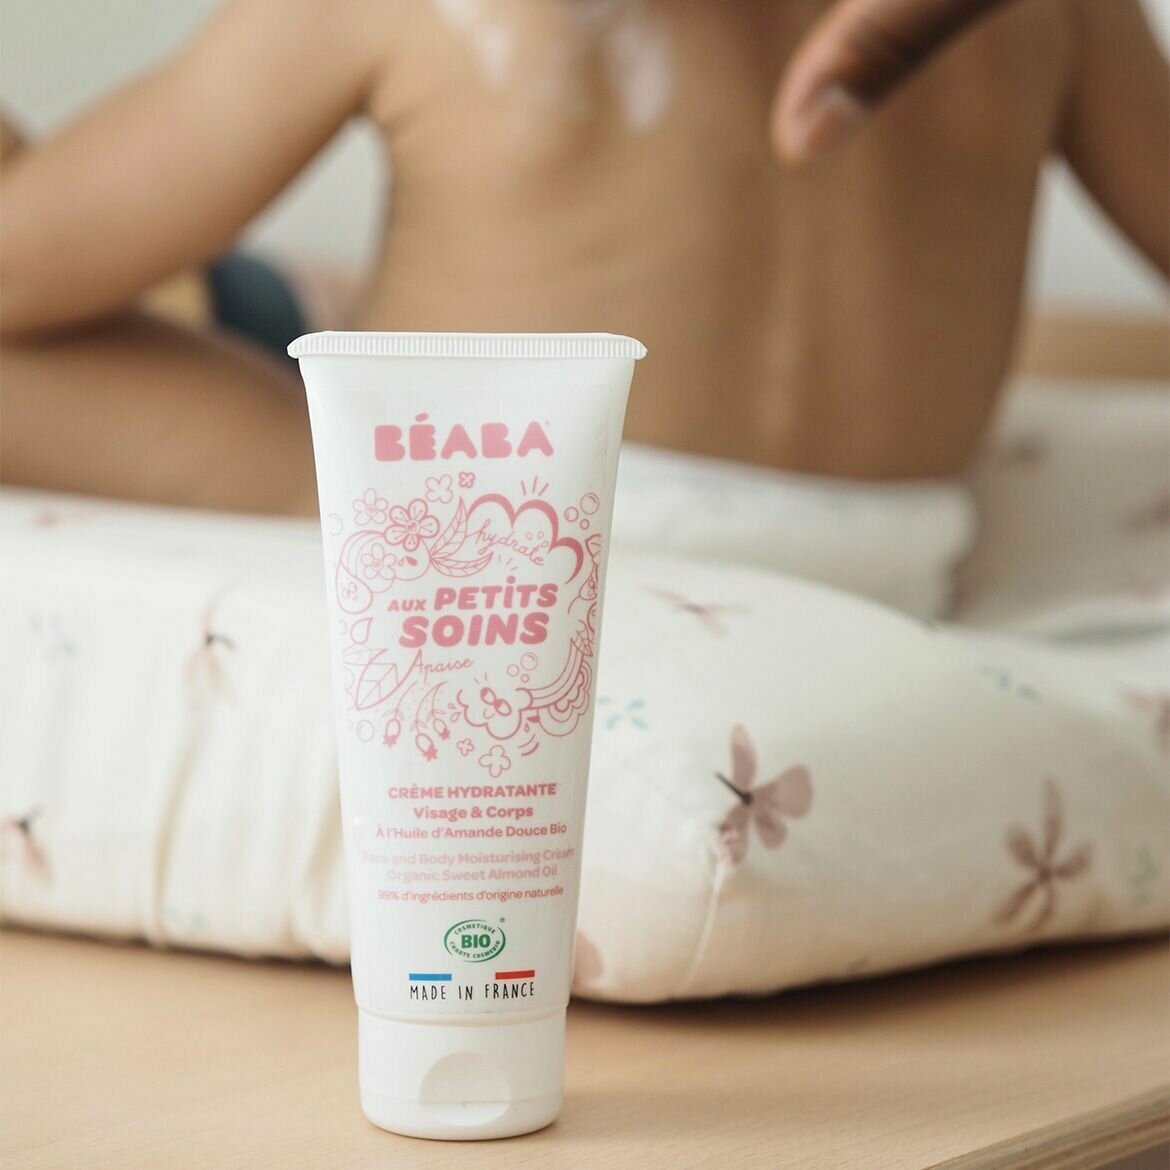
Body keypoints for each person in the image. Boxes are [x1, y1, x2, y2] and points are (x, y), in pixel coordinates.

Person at [1, 0, 1166, 516]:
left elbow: (19, 269)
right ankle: (285, 299)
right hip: (889, 541)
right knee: (299, 310)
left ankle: (270, 301)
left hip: (486, 532)